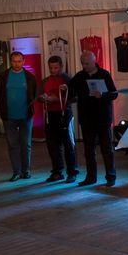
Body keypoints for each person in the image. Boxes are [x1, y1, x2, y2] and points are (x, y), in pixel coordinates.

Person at [68, 51, 118, 187]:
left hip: (102, 118)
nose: (84, 66)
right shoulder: (79, 76)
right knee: (88, 150)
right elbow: (71, 91)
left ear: (94, 61)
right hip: (86, 118)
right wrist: (66, 89)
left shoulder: (104, 74)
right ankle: (91, 177)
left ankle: (111, 176)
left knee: (106, 148)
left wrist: (103, 95)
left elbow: (114, 94)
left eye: (87, 64)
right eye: (83, 64)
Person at [0, 51, 38, 181]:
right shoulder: (3, 76)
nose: (17, 64)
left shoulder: (30, 77)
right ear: (10, 61)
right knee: (12, 145)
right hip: (9, 117)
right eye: (14, 61)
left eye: (19, 61)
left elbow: (34, 94)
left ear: (23, 61)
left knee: (26, 144)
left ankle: (26, 170)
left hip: (26, 116)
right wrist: (3, 109)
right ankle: (16, 171)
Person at [40, 55, 78, 183]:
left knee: (69, 144)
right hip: (50, 115)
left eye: (56, 68)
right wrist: (43, 98)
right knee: (52, 145)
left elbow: (75, 97)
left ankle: (72, 172)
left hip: (64, 114)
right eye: (51, 68)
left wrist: (58, 99)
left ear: (61, 66)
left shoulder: (68, 80)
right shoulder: (45, 81)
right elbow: (38, 96)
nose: (53, 70)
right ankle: (57, 172)